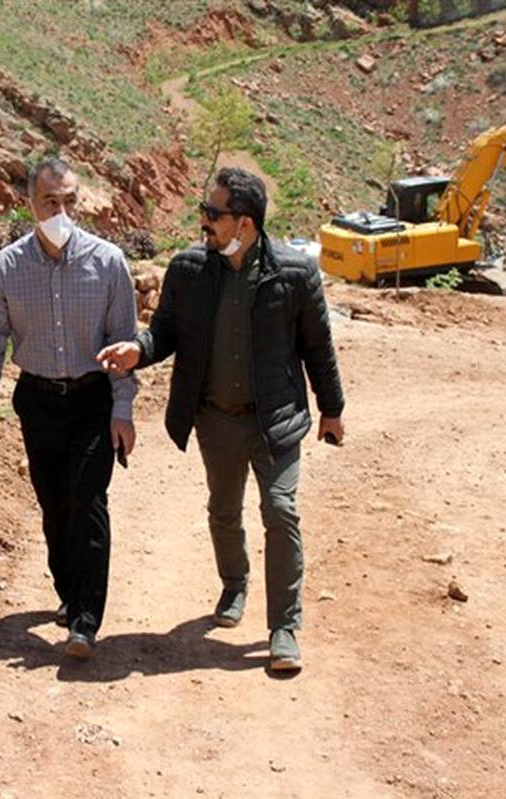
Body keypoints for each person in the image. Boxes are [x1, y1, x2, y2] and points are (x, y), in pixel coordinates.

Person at [96, 167, 345, 672]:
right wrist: (137, 351)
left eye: (214, 213)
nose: (204, 221)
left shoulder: (294, 274)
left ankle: (284, 627)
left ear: (244, 223)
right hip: (216, 420)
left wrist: (332, 409)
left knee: (281, 510)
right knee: (224, 510)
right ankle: (234, 584)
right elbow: (165, 331)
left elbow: (318, 346)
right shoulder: (189, 270)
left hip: (276, 418)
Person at [0, 157, 138, 660]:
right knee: (55, 504)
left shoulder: (108, 263)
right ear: (30, 205)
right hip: (38, 401)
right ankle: (68, 590)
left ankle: (85, 620)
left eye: (70, 201)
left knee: (88, 500)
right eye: (50, 202)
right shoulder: (6, 269)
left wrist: (123, 409)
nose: (61, 212)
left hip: (92, 398)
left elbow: (124, 341)